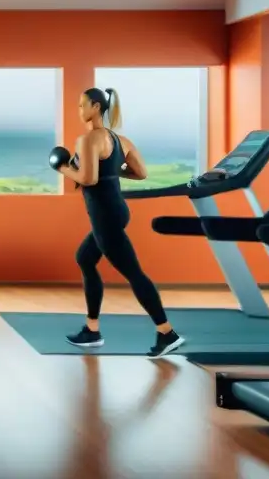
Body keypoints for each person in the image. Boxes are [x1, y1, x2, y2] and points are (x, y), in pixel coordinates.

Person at [54, 87, 185, 359]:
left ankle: (166, 332)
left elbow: (88, 179)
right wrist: (112, 169)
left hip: (104, 214)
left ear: (96, 107)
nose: (79, 111)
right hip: (117, 210)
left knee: (134, 273)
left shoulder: (89, 140)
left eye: (82, 106)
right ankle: (92, 330)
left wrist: (62, 166)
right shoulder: (120, 140)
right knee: (85, 258)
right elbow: (141, 173)